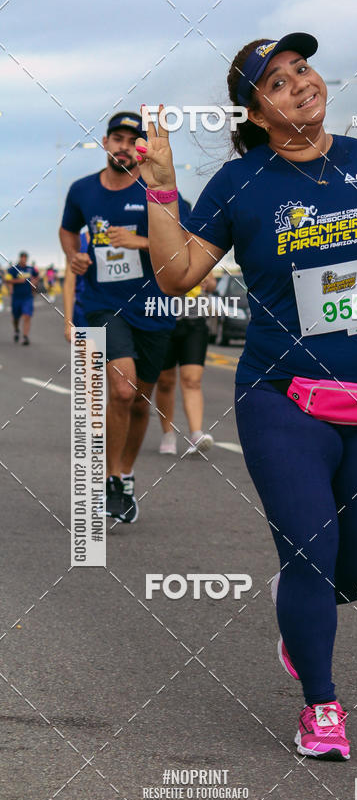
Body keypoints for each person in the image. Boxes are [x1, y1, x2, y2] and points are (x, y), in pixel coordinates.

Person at [138, 36, 357, 760]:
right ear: (256, 111)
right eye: (277, 82)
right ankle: (321, 708)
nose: (299, 84)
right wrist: (162, 189)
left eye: (302, 69)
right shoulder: (241, 184)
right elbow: (177, 277)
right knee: (310, 552)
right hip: (280, 397)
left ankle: (298, 614)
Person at [59, 111, 188, 523]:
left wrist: (140, 240)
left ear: (142, 148)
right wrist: (73, 256)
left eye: (133, 141)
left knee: (139, 401)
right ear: (105, 142)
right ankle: (110, 478)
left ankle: (126, 475)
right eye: (117, 138)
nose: (124, 146)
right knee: (121, 389)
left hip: (153, 307)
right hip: (102, 304)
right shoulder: (83, 191)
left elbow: (184, 243)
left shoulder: (158, 189)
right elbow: (68, 230)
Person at [156, 271, 216, 456]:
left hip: (194, 320)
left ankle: (196, 435)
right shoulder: (158, 245)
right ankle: (168, 434)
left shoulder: (198, 244)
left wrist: (208, 282)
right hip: (162, 317)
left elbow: (212, 283)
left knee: (192, 380)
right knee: (165, 382)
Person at [62, 229, 90, 341]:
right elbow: (69, 284)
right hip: (84, 314)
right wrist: (68, 323)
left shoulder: (122, 236)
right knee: (88, 358)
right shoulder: (77, 242)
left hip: (119, 315)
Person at [7, 251, 39, 345]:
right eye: (22, 258)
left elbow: (36, 277)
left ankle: (25, 337)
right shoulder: (13, 269)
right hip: (16, 297)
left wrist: (35, 282)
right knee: (16, 317)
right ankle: (16, 330)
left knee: (27, 316)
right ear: (20, 258)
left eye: (25, 258)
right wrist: (18, 281)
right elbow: (7, 280)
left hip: (27, 297)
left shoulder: (31, 269)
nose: (24, 260)